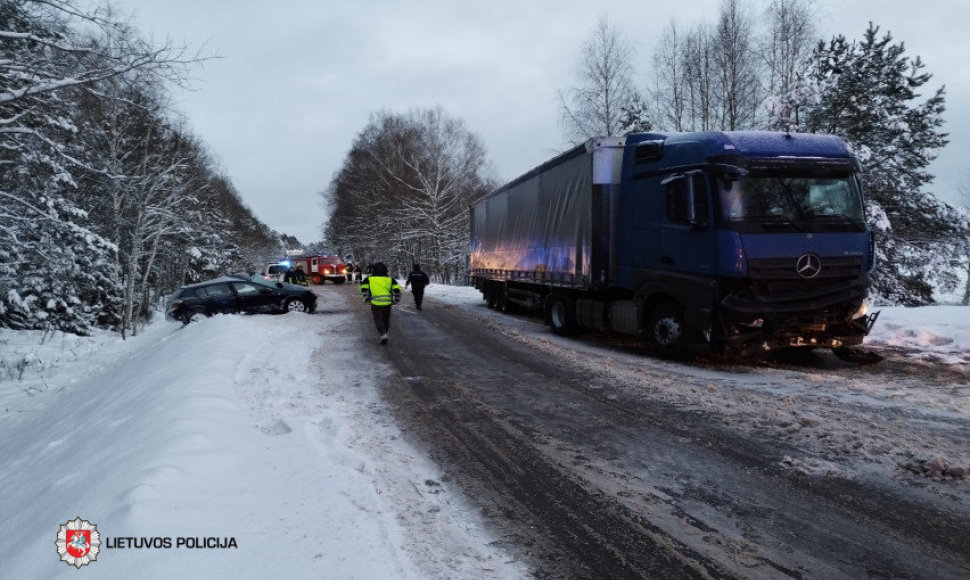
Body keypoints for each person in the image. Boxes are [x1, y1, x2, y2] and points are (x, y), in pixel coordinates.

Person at [359, 262, 402, 345]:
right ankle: (385, 332)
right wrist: (396, 300)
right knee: (386, 319)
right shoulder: (390, 279)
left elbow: (364, 289)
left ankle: (382, 334)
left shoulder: (369, 279)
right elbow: (397, 290)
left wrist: (366, 299)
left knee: (378, 319)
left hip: (375, 303)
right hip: (387, 303)